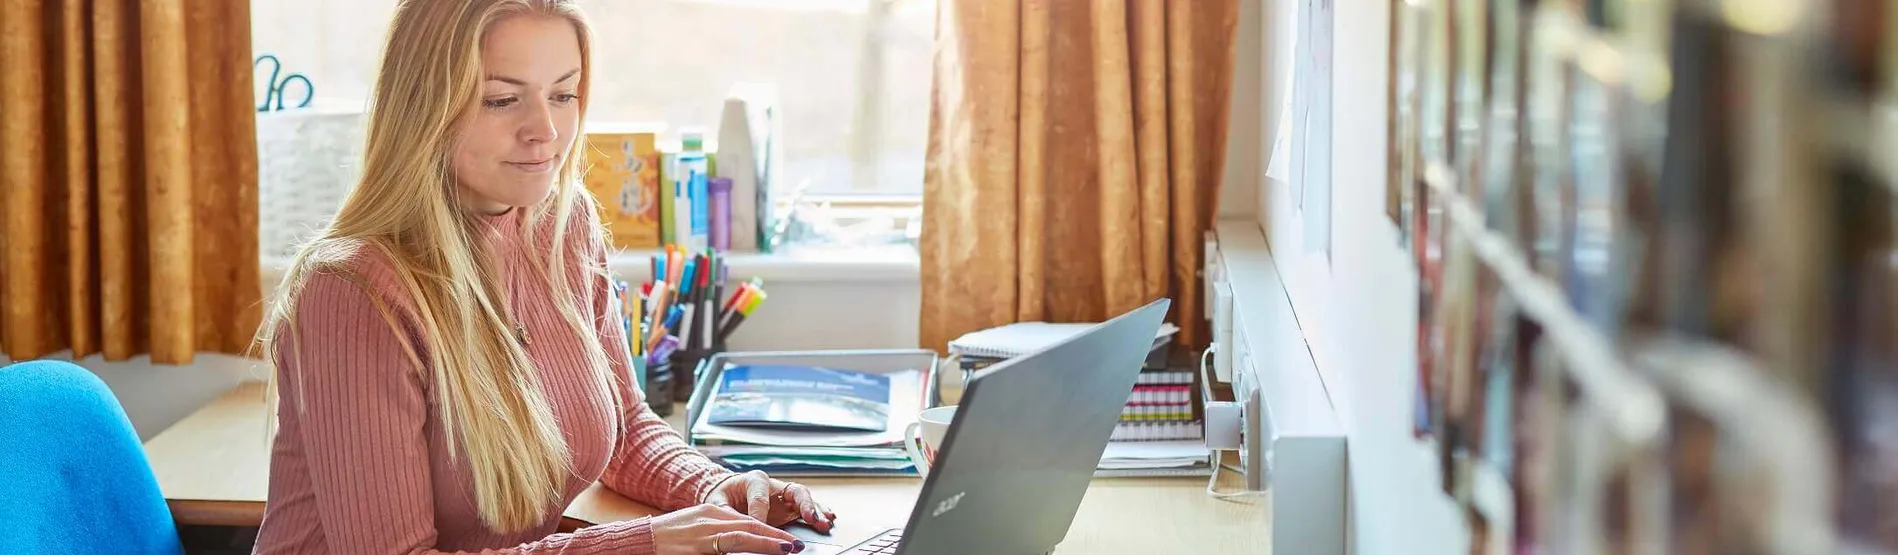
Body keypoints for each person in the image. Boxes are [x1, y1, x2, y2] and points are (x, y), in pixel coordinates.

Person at [251, 1, 832, 553]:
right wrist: (645, 543)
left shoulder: (563, 223)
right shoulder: (354, 292)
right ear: (423, 106)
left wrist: (712, 490)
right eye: (502, 100)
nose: (546, 131)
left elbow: (622, 428)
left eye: (564, 94)